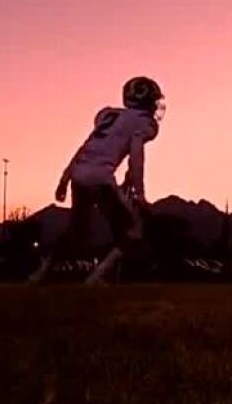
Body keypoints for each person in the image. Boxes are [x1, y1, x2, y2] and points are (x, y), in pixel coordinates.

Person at [29, 77, 165, 285]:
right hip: (100, 178)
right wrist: (140, 194)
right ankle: (97, 277)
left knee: (77, 231)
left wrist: (65, 178)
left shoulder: (109, 115)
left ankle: (40, 274)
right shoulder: (143, 122)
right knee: (134, 231)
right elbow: (136, 157)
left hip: (79, 174)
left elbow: (86, 147)